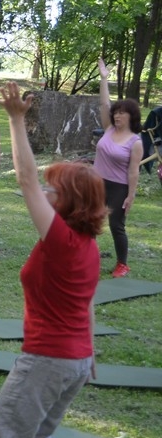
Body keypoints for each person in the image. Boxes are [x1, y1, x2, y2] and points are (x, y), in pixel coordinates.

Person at [0, 81, 105, 438]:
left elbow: (24, 179)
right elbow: (88, 303)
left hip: (47, 360)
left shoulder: (61, 241)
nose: (47, 194)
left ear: (69, 201)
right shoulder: (88, 245)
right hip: (74, 360)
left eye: (54, 190)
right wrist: (90, 351)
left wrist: (17, 120)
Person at [93, 59, 143, 278]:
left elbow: (133, 171)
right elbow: (104, 104)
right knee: (88, 220)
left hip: (118, 187)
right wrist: (104, 78)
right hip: (96, 182)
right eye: (116, 112)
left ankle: (122, 264)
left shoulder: (135, 141)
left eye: (122, 113)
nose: (117, 115)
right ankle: (86, 258)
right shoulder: (108, 129)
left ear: (131, 116)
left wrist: (131, 196)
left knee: (115, 224)